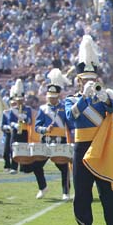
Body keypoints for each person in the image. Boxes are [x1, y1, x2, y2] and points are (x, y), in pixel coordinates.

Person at [64, 34, 113, 225]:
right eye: (85, 80)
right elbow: (70, 117)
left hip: (102, 148)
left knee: (109, 191)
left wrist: (106, 98)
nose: (90, 83)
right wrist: (84, 97)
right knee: (82, 193)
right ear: (79, 81)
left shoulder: (103, 96)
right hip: (82, 147)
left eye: (92, 80)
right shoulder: (71, 100)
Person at [35, 69, 74, 200]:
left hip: (60, 140)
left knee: (63, 167)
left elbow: (70, 125)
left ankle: (66, 192)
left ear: (58, 96)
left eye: (53, 97)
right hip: (45, 140)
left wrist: (73, 139)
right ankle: (43, 187)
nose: (51, 99)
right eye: (49, 97)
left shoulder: (64, 107)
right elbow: (36, 127)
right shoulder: (43, 109)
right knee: (36, 165)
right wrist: (45, 129)